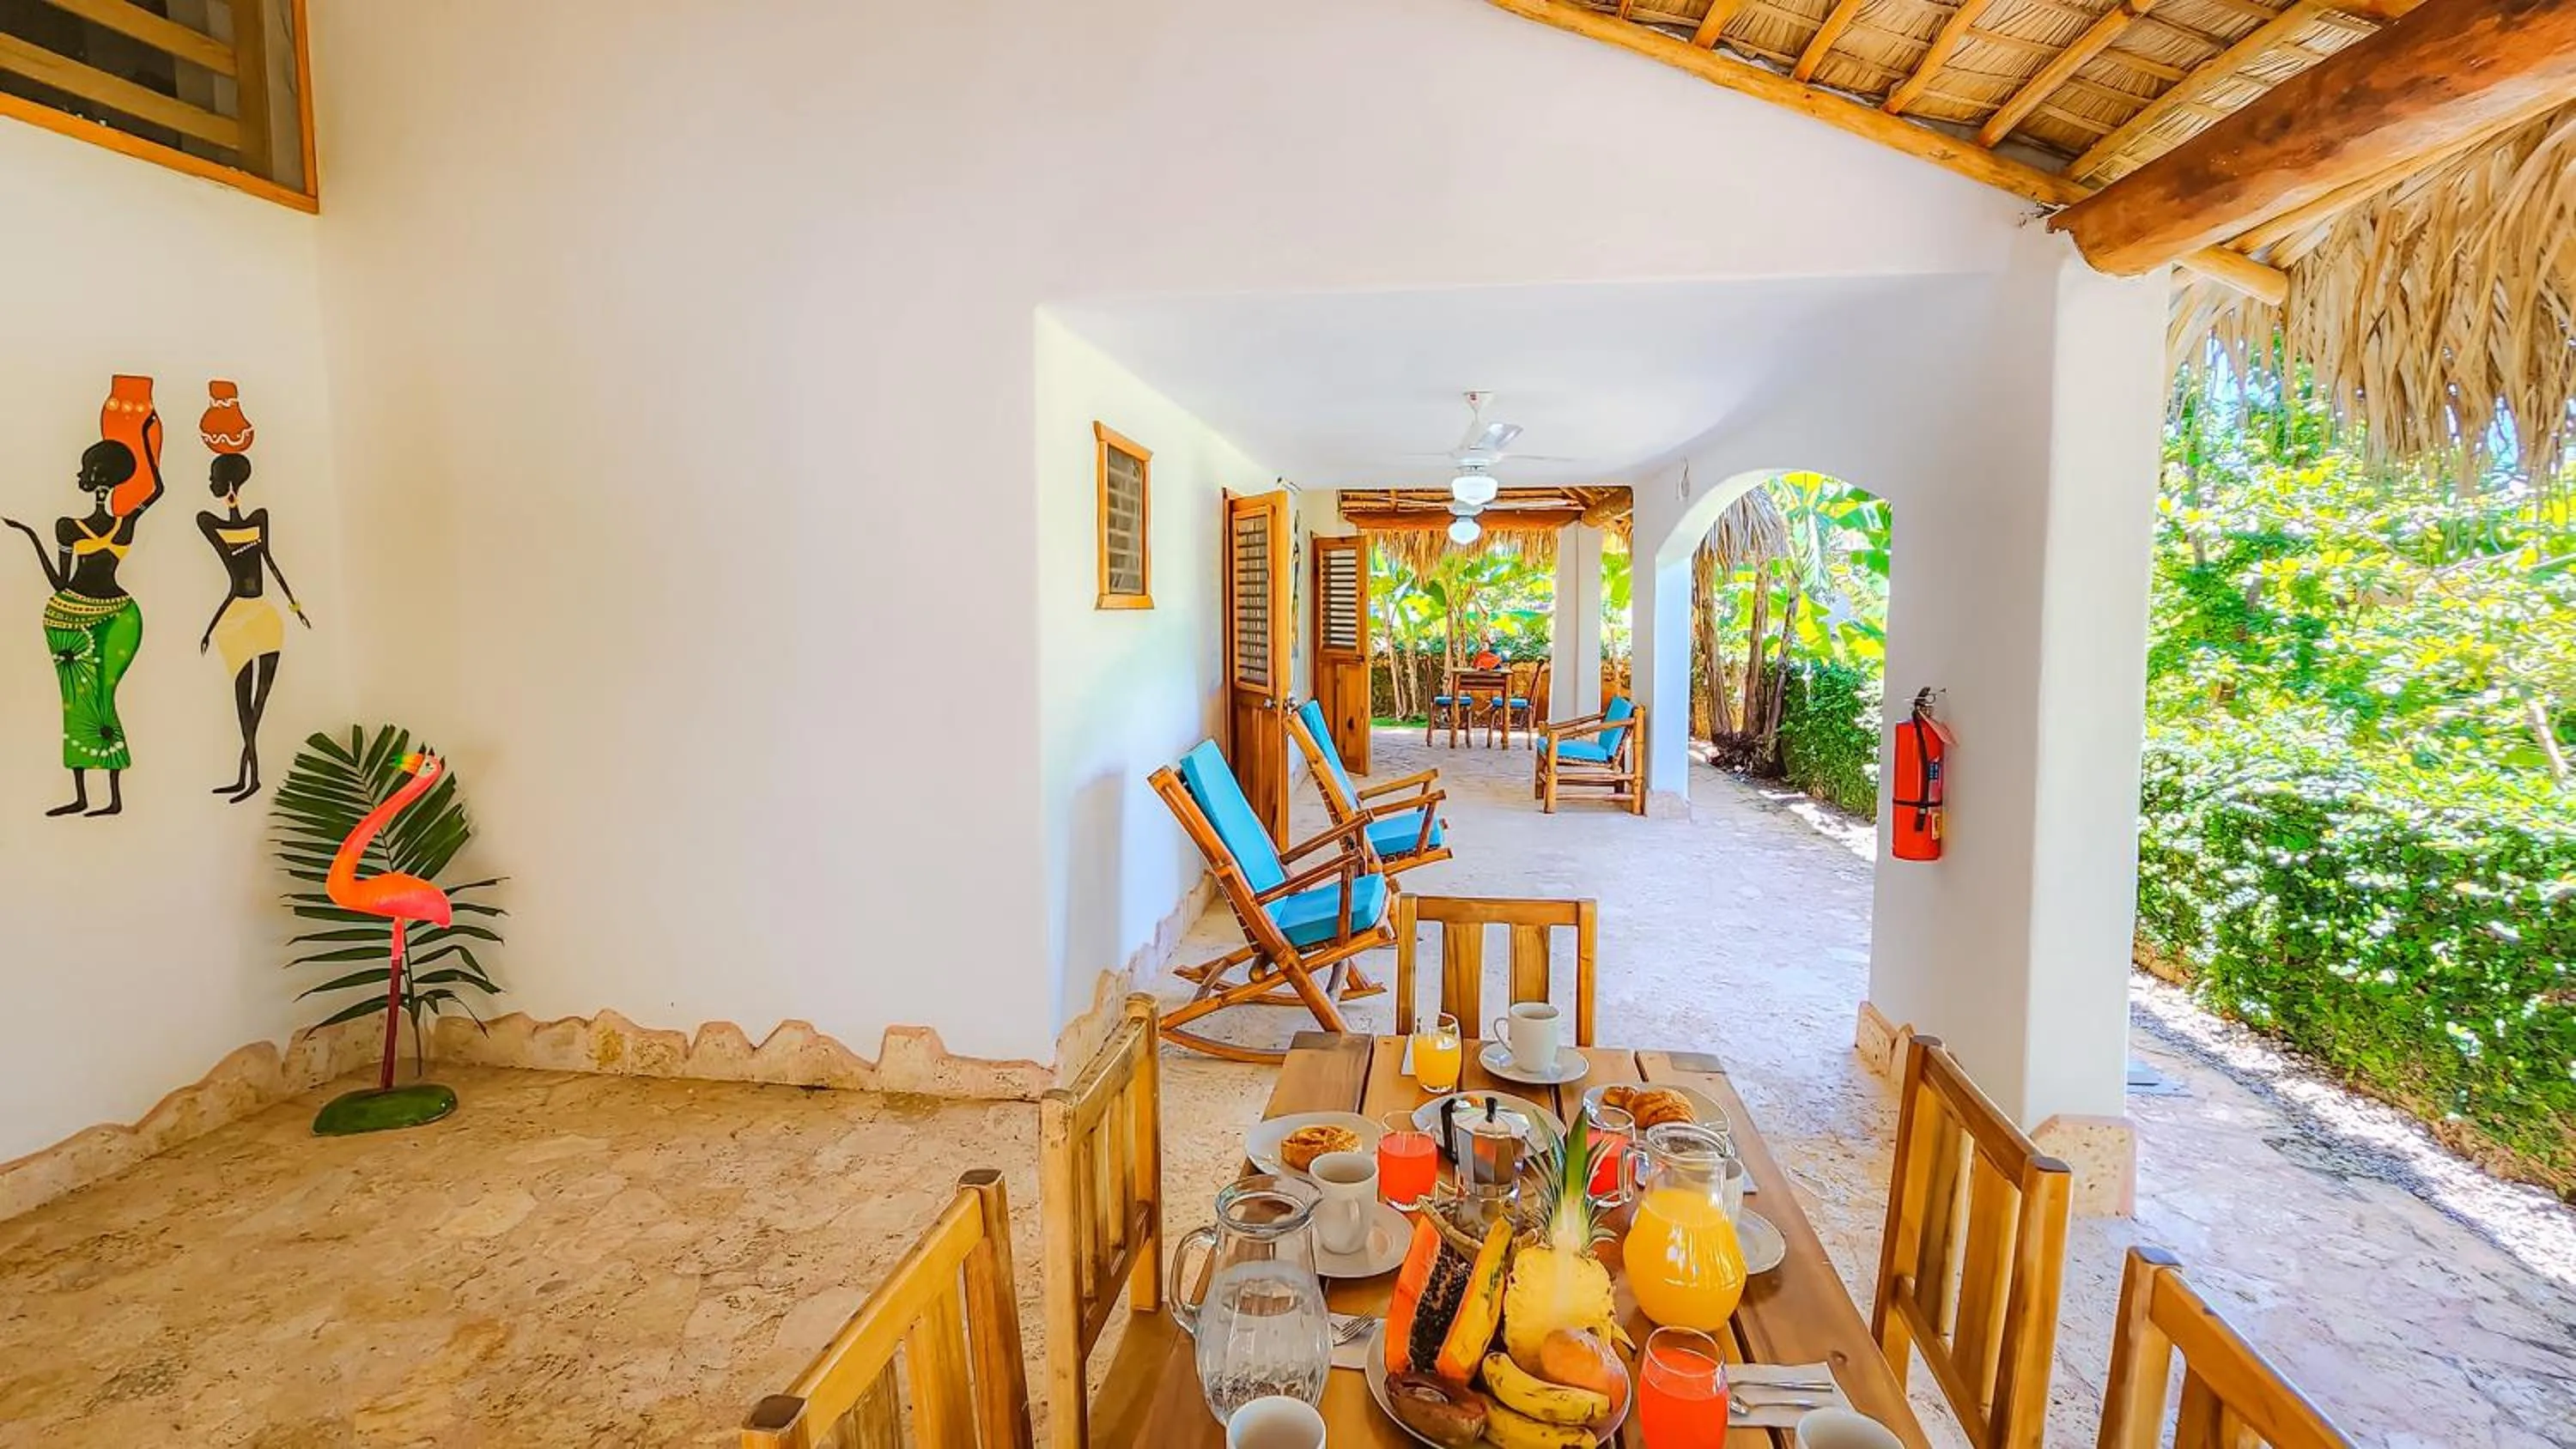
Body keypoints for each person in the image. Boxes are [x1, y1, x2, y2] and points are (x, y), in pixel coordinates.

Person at [6, 438, 162, 816]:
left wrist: (144, 435)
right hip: (67, 617)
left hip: (119, 615)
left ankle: (113, 796)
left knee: (103, 700)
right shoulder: (68, 527)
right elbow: (60, 582)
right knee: (75, 703)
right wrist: (30, 536)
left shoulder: (127, 520)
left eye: (109, 479)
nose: (102, 487)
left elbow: (158, 488)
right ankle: (81, 795)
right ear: (90, 482)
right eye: (98, 478)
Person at [197, 451, 311, 802]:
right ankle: (246, 777)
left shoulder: (260, 518)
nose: (211, 484)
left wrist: (295, 607)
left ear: (228, 481)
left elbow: (271, 563)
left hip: (265, 616)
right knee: (242, 702)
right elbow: (234, 584)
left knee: (259, 704)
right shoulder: (208, 521)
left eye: (214, 478)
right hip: (235, 619)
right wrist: (210, 628)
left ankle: (251, 776)